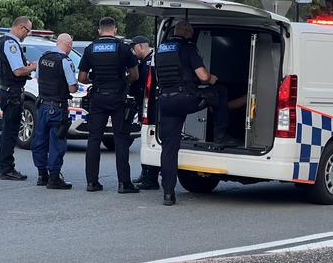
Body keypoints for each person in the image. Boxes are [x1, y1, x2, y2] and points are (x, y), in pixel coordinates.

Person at [155, 21, 229, 206]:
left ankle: (168, 194)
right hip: (186, 100)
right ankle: (221, 136)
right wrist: (213, 78)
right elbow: (203, 76)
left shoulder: (161, 49)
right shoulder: (188, 48)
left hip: (166, 101)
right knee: (219, 93)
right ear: (187, 32)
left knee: (169, 149)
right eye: (192, 32)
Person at [78, 17, 139, 193]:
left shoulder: (90, 49)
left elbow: (82, 78)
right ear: (115, 30)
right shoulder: (123, 48)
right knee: (121, 139)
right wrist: (123, 81)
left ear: (99, 31)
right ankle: (124, 183)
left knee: (94, 139)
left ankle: (91, 182)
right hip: (118, 98)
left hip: (97, 98)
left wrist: (95, 79)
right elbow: (134, 75)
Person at [31, 33, 77, 190]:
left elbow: (37, 78)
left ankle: (41, 174)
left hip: (42, 105)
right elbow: (72, 87)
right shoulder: (65, 61)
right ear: (69, 45)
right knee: (57, 142)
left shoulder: (43, 58)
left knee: (40, 140)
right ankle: (54, 177)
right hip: (57, 107)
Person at [0, 16, 37, 181]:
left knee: (8, 130)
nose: (27, 34)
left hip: (7, 91)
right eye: (27, 31)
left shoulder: (2, 41)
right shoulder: (11, 44)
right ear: (21, 27)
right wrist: (33, 66)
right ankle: (6, 168)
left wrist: (27, 66)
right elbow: (18, 71)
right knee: (10, 132)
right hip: (12, 93)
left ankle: (5, 167)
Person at [129, 35, 160, 190]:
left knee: (149, 141)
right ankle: (145, 173)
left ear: (140, 46)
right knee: (145, 140)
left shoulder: (150, 63)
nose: (134, 52)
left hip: (151, 109)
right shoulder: (146, 61)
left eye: (134, 48)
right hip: (146, 107)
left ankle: (151, 177)